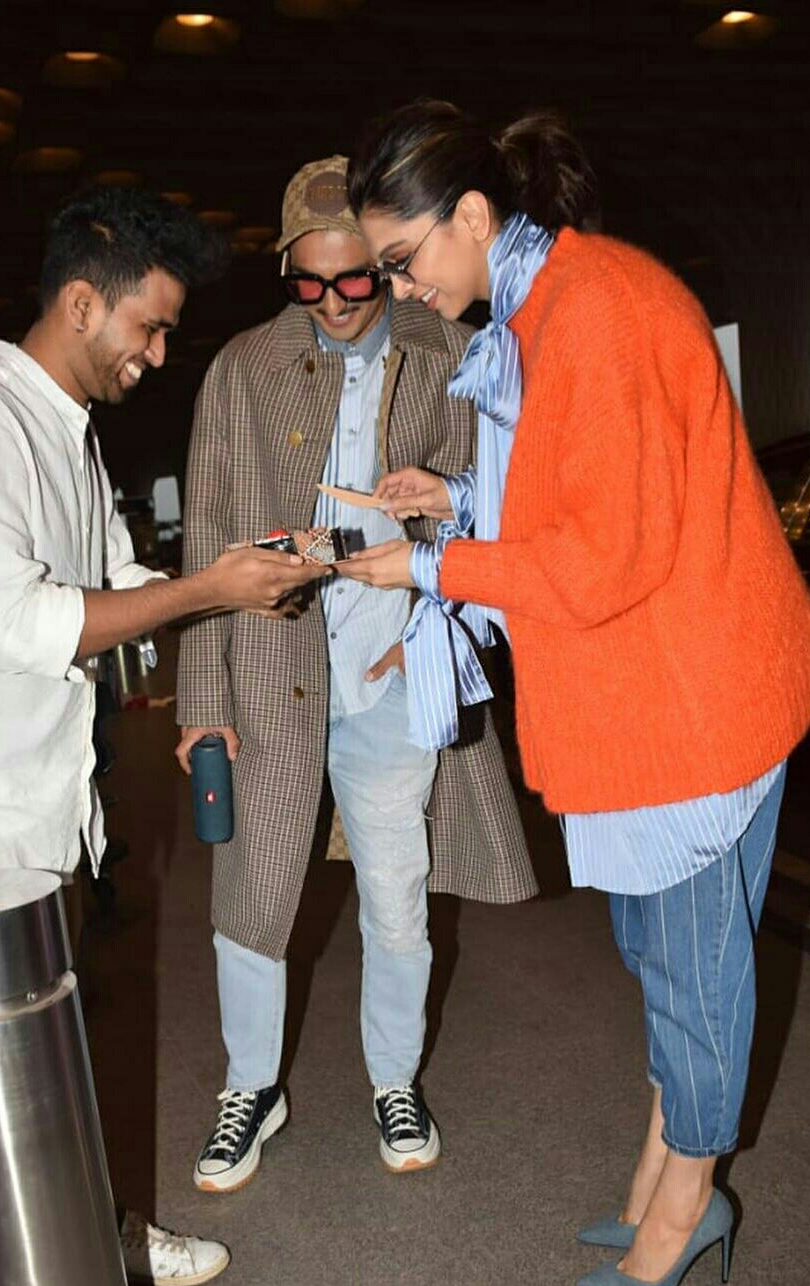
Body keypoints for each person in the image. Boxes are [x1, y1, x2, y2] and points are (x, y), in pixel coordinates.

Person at [337, 101, 810, 1286]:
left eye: (402, 261)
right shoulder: (549, 302)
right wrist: (453, 500)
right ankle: (666, 1170)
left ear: (469, 214)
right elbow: (569, 494)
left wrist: (433, 566)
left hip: (695, 700)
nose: (399, 290)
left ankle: (691, 1200)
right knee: (663, 955)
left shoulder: (593, 310)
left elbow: (600, 554)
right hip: (658, 690)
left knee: (695, 969)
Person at [0, 185, 326, 1286]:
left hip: (33, 811)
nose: (158, 354)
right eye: (148, 326)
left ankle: (101, 1247)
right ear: (79, 302)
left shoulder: (67, 435)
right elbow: (22, 626)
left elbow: (118, 585)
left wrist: (239, 579)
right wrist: (206, 587)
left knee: (49, 1084)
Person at [176, 155, 536, 1190]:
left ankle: (394, 1078)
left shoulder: (453, 352)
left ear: (384, 265)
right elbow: (206, 531)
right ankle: (252, 1087)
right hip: (270, 674)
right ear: (284, 267)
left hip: (391, 669)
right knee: (254, 892)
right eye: (308, 284)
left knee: (397, 895)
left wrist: (439, 615)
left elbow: (499, 510)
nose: (333, 305)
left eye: (356, 280)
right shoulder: (240, 368)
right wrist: (203, 701)